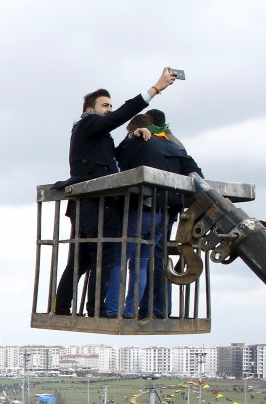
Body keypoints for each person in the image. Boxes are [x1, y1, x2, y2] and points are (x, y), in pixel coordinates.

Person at [53, 68, 179, 317]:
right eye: (105, 105)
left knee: (87, 259)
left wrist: (134, 134)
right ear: (91, 109)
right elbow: (117, 119)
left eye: (110, 105)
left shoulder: (96, 134)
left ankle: (74, 307)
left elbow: (113, 158)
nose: (109, 109)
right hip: (94, 204)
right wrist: (155, 89)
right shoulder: (88, 123)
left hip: (91, 204)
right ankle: (85, 309)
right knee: (94, 259)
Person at [115, 112, 203, 318]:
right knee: (158, 259)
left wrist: (132, 137)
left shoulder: (142, 140)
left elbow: (120, 158)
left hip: (147, 207)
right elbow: (194, 172)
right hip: (168, 210)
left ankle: (136, 309)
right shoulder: (175, 144)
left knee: (137, 259)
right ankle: (159, 309)